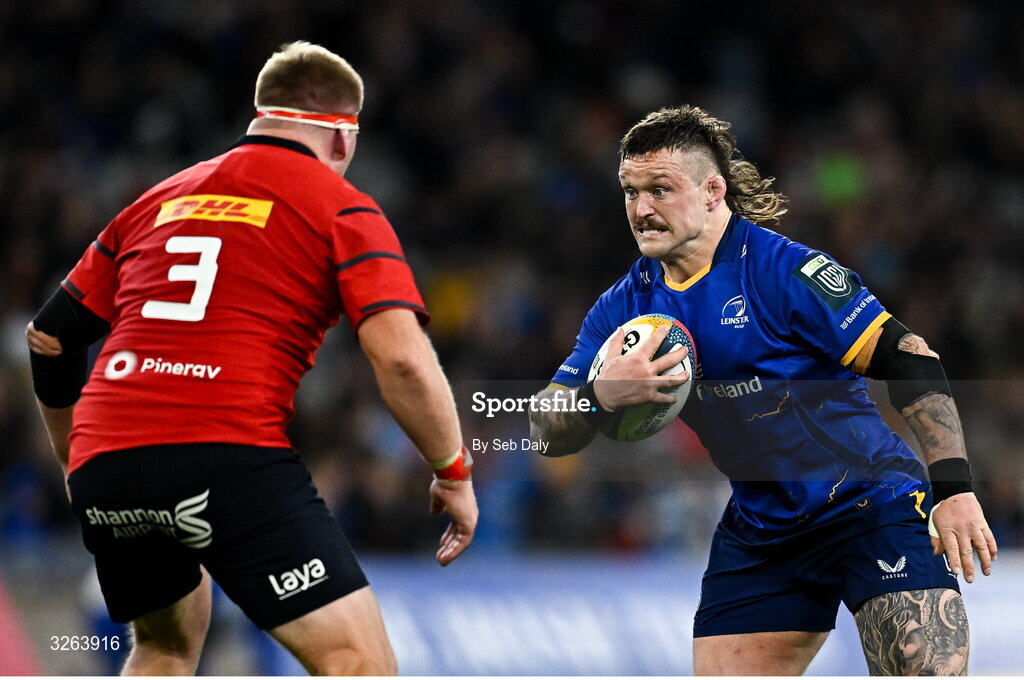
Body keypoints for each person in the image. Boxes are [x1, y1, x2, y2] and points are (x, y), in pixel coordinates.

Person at [27, 41, 477, 676]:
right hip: (225, 451)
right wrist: (452, 471)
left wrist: (80, 462)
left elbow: (48, 338)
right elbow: (400, 359)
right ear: (344, 138)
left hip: (109, 460)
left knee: (164, 649)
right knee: (356, 662)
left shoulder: (158, 200)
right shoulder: (340, 205)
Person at [529, 105, 996, 675]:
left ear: (711, 190)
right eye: (630, 191)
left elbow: (912, 361)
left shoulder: (783, 273)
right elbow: (543, 431)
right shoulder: (623, 309)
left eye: (660, 189)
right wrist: (598, 396)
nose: (641, 209)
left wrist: (955, 490)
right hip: (762, 531)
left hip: (870, 505)